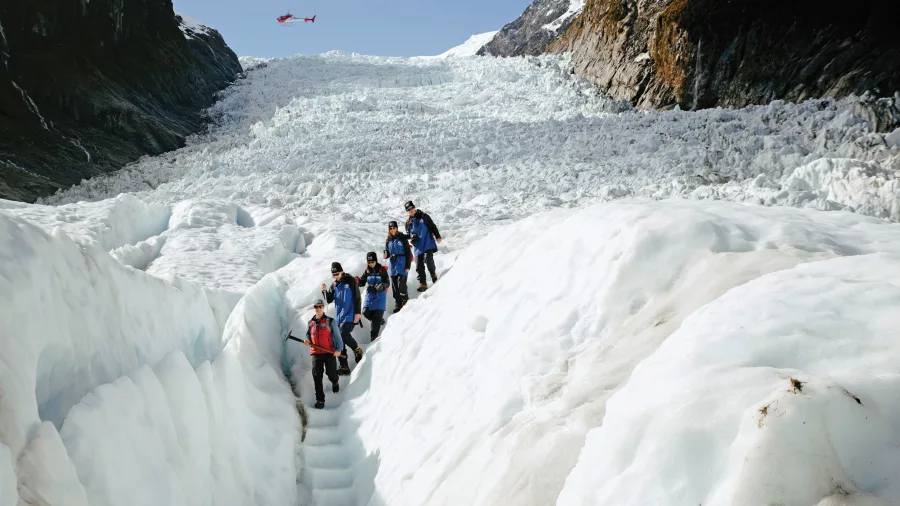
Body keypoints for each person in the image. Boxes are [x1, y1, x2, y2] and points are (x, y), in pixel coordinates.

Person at [322, 262, 363, 375]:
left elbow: (357, 297)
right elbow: (329, 300)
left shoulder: (350, 281)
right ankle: (344, 365)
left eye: (336, 274)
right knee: (338, 338)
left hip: (350, 315)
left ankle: (356, 349)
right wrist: (325, 291)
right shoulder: (334, 285)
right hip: (339, 317)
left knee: (342, 334)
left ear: (342, 271)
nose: (335, 276)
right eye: (333, 274)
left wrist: (358, 313)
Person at [302, 299, 343, 409]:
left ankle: (335, 381)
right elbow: (308, 334)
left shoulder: (330, 321)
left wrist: (339, 349)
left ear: (323, 308)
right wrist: (307, 340)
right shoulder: (311, 323)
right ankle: (320, 400)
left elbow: (338, 337)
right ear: (314, 308)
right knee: (317, 376)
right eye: (316, 306)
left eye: (320, 306)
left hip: (329, 352)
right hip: (316, 353)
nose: (318, 308)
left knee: (331, 373)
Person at [403, 200, 441, 292]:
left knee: (428, 259)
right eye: (408, 209)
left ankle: (433, 275)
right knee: (418, 264)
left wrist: (437, 236)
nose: (411, 210)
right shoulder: (408, 222)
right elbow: (408, 234)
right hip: (418, 246)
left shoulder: (424, 216)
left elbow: (432, 226)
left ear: (414, 207)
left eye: (412, 208)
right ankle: (423, 283)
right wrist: (411, 237)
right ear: (407, 211)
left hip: (427, 242)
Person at [358, 251, 390, 341]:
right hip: (370, 295)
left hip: (380, 295)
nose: (371, 264)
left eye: (373, 262)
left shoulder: (382, 270)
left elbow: (387, 282)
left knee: (376, 316)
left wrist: (382, 285)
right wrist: (357, 281)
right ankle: (379, 320)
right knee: (365, 312)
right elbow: (362, 282)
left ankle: (374, 337)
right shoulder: (367, 271)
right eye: (369, 262)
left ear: (376, 261)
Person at [383, 220, 412, 312]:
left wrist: (408, 266)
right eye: (390, 228)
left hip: (402, 264)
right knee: (395, 287)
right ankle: (398, 304)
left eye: (394, 228)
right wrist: (386, 254)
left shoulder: (402, 238)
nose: (392, 230)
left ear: (397, 228)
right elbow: (387, 251)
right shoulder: (388, 239)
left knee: (401, 285)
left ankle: (405, 301)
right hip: (393, 265)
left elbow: (408, 253)